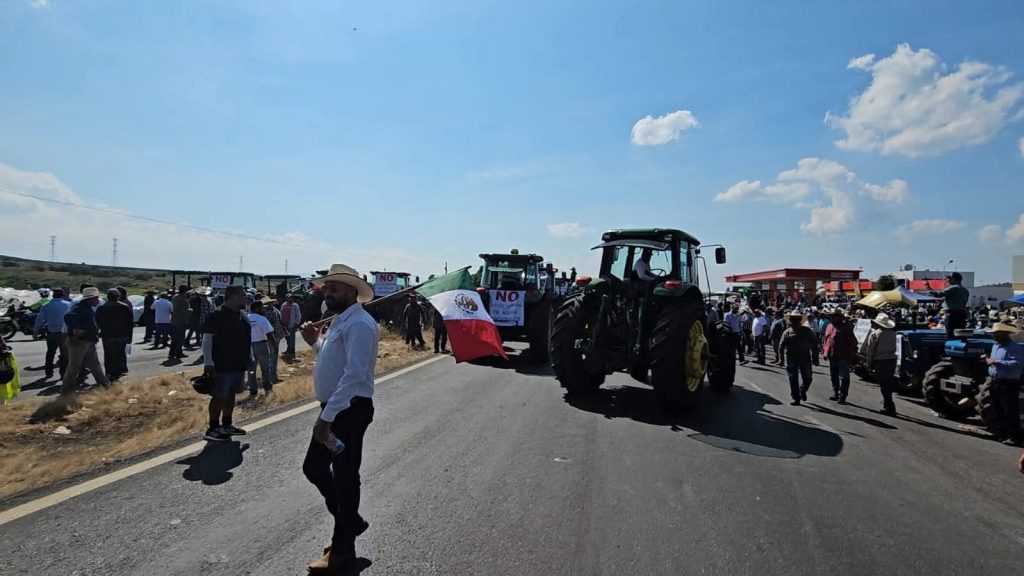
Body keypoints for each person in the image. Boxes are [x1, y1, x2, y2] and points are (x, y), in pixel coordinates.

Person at [299, 264, 378, 573]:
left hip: (348, 410)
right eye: (327, 288)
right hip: (336, 408)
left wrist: (327, 418)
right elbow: (334, 360)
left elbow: (355, 374)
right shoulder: (340, 321)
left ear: (351, 292)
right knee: (316, 468)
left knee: (344, 478)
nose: (328, 293)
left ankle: (342, 550)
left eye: (334, 289)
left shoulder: (359, 324)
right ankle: (350, 522)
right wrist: (315, 342)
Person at [200, 285, 251, 442]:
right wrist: (208, 362)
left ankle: (226, 424)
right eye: (242, 295)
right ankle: (213, 428)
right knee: (218, 396)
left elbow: (246, 340)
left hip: (238, 364)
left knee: (231, 395)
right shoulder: (216, 315)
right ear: (232, 296)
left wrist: (250, 358)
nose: (245, 298)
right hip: (221, 364)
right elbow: (207, 340)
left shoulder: (243, 316)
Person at [61, 287, 111, 395]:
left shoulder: (86, 307)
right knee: (74, 367)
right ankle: (66, 391)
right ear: (91, 298)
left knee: (94, 365)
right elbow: (68, 317)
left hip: (88, 341)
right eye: (96, 298)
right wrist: (76, 329)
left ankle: (105, 385)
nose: (98, 300)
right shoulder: (80, 307)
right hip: (79, 342)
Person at [979, 322, 1023, 446]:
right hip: (995, 381)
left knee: (1010, 411)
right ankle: (1001, 433)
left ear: (1005, 334)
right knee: (998, 410)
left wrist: (996, 362)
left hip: (1008, 383)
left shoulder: (1015, 347)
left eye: (997, 333)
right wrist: (988, 361)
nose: (994, 335)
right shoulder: (995, 346)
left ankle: (1015, 437)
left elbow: (1017, 364)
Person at [95, 288, 134, 381]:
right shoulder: (125, 307)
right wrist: (130, 337)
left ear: (108, 297)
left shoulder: (101, 308)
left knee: (109, 355)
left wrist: (96, 334)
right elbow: (130, 324)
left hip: (107, 336)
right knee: (120, 354)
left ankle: (110, 373)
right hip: (122, 335)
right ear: (118, 296)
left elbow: (97, 322)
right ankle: (118, 372)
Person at [778, 312, 817, 406]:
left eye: (797, 319)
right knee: (793, 378)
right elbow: (781, 346)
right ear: (791, 320)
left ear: (800, 320)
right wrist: (781, 359)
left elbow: (814, 344)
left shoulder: (807, 331)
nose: (795, 321)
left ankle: (802, 390)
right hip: (791, 358)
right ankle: (796, 398)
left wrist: (815, 358)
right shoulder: (787, 332)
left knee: (808, 378)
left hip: (805, 358)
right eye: (793, 319)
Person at [864, 312, 899, 415]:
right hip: (891, 360)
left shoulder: (876, 334)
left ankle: (889, 405)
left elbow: (871, 350)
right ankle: (887, 403)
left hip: (880, 361)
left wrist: (868, 363)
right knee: (888, 382)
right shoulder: (893, 334)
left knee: (884, 384)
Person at [33, 288, 72, 379]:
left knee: (50, 352)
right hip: (64, 332)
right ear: (62, 295)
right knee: (64, 354)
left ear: (53, 295)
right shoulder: (68, 305)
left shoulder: (46, 305)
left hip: (51, 332)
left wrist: (35, 332)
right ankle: (63, 374)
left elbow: (40, 320)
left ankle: (49, 372)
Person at [822, 309, 857, 403]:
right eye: (831, 316)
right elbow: (826, 339)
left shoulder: (846, 328)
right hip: (831, 355)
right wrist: (825, 351)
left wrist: (853, 354)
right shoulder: (829, 326)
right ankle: (836, 392)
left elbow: (853, 342)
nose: (832, 318)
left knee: (844, 377)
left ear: (840, 317)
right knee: (834, 375)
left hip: (843, 355)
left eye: (835, 316)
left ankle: (842, 395)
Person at [246, 300, 276, 397]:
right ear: (257, 308)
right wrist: (274, 346)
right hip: (261, 345)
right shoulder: (262, 319)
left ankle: (253, 390)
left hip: (249, 346)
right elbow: (269, 334)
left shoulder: (245, 318)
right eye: (262, 307)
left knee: (251, 369)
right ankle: (267, 387)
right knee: (265, 368)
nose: (264, 309)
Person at [933, 272, 970, 340]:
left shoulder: (953, 288)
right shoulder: (965, 290)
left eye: (949, 278)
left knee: (951, 334)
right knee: (960, 334)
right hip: (961, 314)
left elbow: (938, 294)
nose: (947, 280)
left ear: (954, 279)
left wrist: (928, 288)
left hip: (952, 314)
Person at [261, 297, 284, 384]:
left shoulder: (272, 311)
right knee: (272, 357)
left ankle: (273, 376)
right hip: (273, 336)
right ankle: (272, 377)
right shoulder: (270, 312)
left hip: (275, 335)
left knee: (273, 356)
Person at [169, 285, 191, 360]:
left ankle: (171, 352)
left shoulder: (175, 297)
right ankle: (179, 353)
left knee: (174, 337)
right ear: (185, 291)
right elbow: (184, 311)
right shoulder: (183, 300)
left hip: (174, 320)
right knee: (180, 338)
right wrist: (190, 311)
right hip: (181, 321)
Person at [281, 293, 303, 359]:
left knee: (292, 338)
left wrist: (297, 323)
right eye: (288, 297)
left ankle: (292, 351)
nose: (289, 299)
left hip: (292, 324)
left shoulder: (295, 305)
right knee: (287, 338)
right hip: (285, 324)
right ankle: (288, 349)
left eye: (290, 297)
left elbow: (298, 315)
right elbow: (281, 313)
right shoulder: (284, 305)